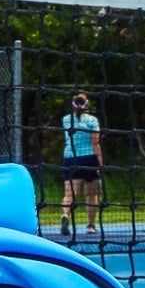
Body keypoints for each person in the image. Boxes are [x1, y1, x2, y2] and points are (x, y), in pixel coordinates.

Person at [60, 91, 102, 236]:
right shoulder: (92, 120)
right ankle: (91, 226)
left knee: (70, 193)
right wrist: (100, 162)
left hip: (70, 158)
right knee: (91, 195)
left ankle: (65, 215)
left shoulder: (66, 119)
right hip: (89, 158)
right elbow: (95, 142)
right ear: (87, 104)